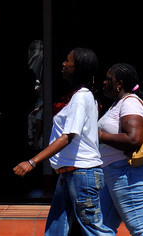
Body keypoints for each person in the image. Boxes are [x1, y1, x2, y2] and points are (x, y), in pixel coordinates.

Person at [14, 47, 114, 236]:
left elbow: (68, 136)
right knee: (56, 228)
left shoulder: (81, 98)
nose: (63, 64)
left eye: (68, 61)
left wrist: (32, 162)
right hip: (69, 174)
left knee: (94, 229)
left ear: (78, 68)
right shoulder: (85, 97)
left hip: (81, 174)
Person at [98, 63, 143, 236]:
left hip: (126, 173)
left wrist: (99, 136)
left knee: (141, 229)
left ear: (120, 84)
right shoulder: (118, 104)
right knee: (102, 228)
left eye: (109, 79)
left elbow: (133, 139)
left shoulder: (130, 103)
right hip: (114, 173)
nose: (104, 82)